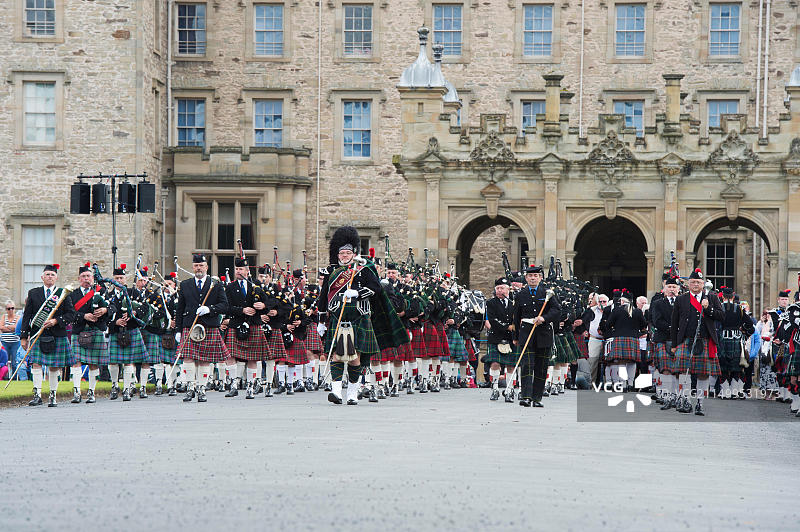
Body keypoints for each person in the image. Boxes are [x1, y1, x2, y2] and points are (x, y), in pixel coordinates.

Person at [318, 226, 407, 405]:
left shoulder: (363, 269)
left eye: (347, 253)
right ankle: (336, 392)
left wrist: (357, 293)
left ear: (353, 254)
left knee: (354, 357)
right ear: (337, 254)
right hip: (338, 317)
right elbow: (323, 297)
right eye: (341, 253)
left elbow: (376, 288)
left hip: (358, 316)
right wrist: (321, 321)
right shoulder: (331, 271)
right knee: (336, 355)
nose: (344, 256)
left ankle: (352, 393)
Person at [175, 253, 231, 403]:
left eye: (201, 265)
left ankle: (201, 389)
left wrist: (209, 309)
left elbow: (224, 305)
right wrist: (178, 330)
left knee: (204, 360)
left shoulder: (216, 284)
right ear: (193, 267)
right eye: (196, 265)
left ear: (206, 267)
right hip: (190, 326)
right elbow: (180, 309)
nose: (198, 268)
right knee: (188, 358)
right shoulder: (185, 284)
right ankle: (190, 387)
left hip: (209, 326)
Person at [19, 264, 77, 407]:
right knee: (36, 364)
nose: (50, 277)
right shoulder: (33, 293)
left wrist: (56, 321)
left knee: (54, 366)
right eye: (47, 274)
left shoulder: (63, 293)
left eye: (52, 275)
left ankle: (53, 395)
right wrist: (24, 337)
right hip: (38, 334)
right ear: (42, 277)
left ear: (56, 277)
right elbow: (27, 316)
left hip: (57, 334)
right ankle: (37, 395)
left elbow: (71, 314)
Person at [670, 268, 724, 416]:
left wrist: (708, 308)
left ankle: (700, 403)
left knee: (703, 374)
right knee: (684, 372)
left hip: (705, 340)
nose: (695, 284)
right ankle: (686, 400)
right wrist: (674, 344)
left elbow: (721, 316)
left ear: (703, 284)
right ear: (688, 284)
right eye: (693, 282)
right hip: (685, 340)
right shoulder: (681, 299)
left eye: (698, 282)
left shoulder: (712, 298)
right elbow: (674, 323)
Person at [222, 256, 271, 399]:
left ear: (247, 271)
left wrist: (263, 306)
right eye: (236, 269)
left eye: (241, 269)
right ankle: (233, 386)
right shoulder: (230, 287)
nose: (238, 271)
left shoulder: (255, 286)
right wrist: (242, 310)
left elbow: (269, 303)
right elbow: (226, 307)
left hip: (253, 324)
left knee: (253, 358)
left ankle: (250, 387)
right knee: (230, 356)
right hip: (235, 324)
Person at [512, 265, 561, 407]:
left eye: (535, 276)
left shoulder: (547, 293)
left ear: (540, 278)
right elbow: (516, 317)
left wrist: (544, 318)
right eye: (530, 276)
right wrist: (515, 336)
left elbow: (557, 310)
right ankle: (526, 396)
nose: (533, 278)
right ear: (526, 278)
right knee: (527, 365)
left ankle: (537, 398)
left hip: (543, 334)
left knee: (541, 367)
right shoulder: (520, 295)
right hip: (526, 334)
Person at [69, 262, 113, 404]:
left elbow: (113, 307)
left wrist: (105, 310)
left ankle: (91, 392)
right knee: (76, 362)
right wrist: (84, 316)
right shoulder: (72, 295)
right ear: (79, 279)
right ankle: (76, 392)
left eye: (88, 276)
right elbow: (69, 313)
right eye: (83, 276)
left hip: (96, 330)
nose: (86, 279)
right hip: (79, 330)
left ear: (93, 278)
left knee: (94, 363)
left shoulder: (101, 291)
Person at [107, 264, 150, 402]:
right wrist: (115, 322)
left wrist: (134, 313)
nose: (119, 280)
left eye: (121, 278)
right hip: (115, 331)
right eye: (116, 278)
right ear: (113, 279)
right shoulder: (108, 295)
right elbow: (103, 315)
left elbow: (145, 307)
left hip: (131, 330)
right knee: (112, 362)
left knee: (128, 362)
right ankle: (114, 386)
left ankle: (126, 389)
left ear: (125, 279)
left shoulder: (134, 293)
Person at [717, 286, 755, 400]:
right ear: (733, 297)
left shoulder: (719, 307)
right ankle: (734, 392)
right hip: (736, 339)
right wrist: (743, 331)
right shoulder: (739, 309)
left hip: (722, 339)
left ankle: (725, 392)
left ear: (722, 296)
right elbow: (750, 324)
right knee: (736, 367)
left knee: (723, 366)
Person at [484, 277, 516, 402]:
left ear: (508, 289)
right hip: (496, 337)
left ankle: (509, 390)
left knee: (511, 365)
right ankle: (495, 389)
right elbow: (493, 320)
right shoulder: (491, 303)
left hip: (511, 338)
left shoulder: (514, 302)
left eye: (502, 288)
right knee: (495, 363)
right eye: (497, 288)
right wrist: (508, 327)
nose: (499, 290)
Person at [651, 276, 678, 408]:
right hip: (663, 338)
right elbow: (657, 321)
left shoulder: (683, 303)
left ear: (678, 289)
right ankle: (666, 396)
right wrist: (672, 328)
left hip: (678, 340)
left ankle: (675, 396)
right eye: (669, 287)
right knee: (665, 369)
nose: (671, 289)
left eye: (674, 287)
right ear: (664, 288)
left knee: (677, 370)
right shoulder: (658, 303)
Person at [1, 300, 21, 377]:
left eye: (12, 308)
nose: (11, 310)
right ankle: (5, 376)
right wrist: (11, 328)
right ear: (6, 309)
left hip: (15, 342)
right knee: (5, 361)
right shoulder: (4, 317)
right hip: (4, 342)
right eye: (9, 308)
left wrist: (6, 327)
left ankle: (14, 377)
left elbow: (16, 327)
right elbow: (1, 327)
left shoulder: (18, 317)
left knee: (14, 361)